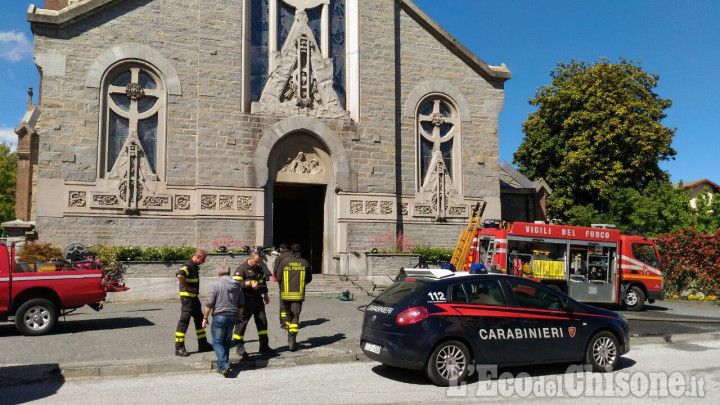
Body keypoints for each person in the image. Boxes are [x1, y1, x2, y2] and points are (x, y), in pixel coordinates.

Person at [202, 263, 244, 377]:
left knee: (217, 342)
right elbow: (241, 305)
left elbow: (209, 303)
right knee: (226, 342)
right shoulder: (237, 285)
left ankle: (224, 364)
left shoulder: (215, 285)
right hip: (232, 316)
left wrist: (205, 318)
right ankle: (222, 368)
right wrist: (238, 318)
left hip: (219, 316)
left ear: (219, 273)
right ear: (229, 273)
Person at [232, 251, 274, 358]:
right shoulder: (242, 269)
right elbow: (235, 283)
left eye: (259, 261)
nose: (258, 263)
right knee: (242, 323)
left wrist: (266, 295)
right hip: (245, 300)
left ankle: (264, 346)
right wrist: (249, 283)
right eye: (256, 261)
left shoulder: (259, 268)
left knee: (262, 322)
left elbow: (263, 283)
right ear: (249, 259)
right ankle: (239, 346)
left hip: (258, 300)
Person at [175, 249, 214, 356]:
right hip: (187, 299)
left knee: (199, 320)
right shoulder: (188, 265)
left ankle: (203, 344)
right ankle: (179, 348)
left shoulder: (195, 266)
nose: (204, 261)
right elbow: (180, 275)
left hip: (194, 299)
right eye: (203, 259)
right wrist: (187, 287)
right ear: (197, 257)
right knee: (184, 322)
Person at [277, 243, 312, 351]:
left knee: (288, 315)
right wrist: (301, 285)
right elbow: (309, 278)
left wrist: (282, 286)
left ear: (290, 252)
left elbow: (278, 277)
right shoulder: (305, 263)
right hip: (298, 294)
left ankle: (289, 331)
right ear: (300, 252)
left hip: (285, 294)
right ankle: (292, 337)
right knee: (295, 316)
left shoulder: (284, 262)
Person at [272, 243, 291, 328]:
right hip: (294, 284)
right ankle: (291, 320)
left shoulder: (279, 258)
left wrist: (279, 282)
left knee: (283, 304)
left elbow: (275, 271)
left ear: (280, 249)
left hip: (283, 284)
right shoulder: (294, 257)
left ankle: (284, 322)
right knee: (292, 303)